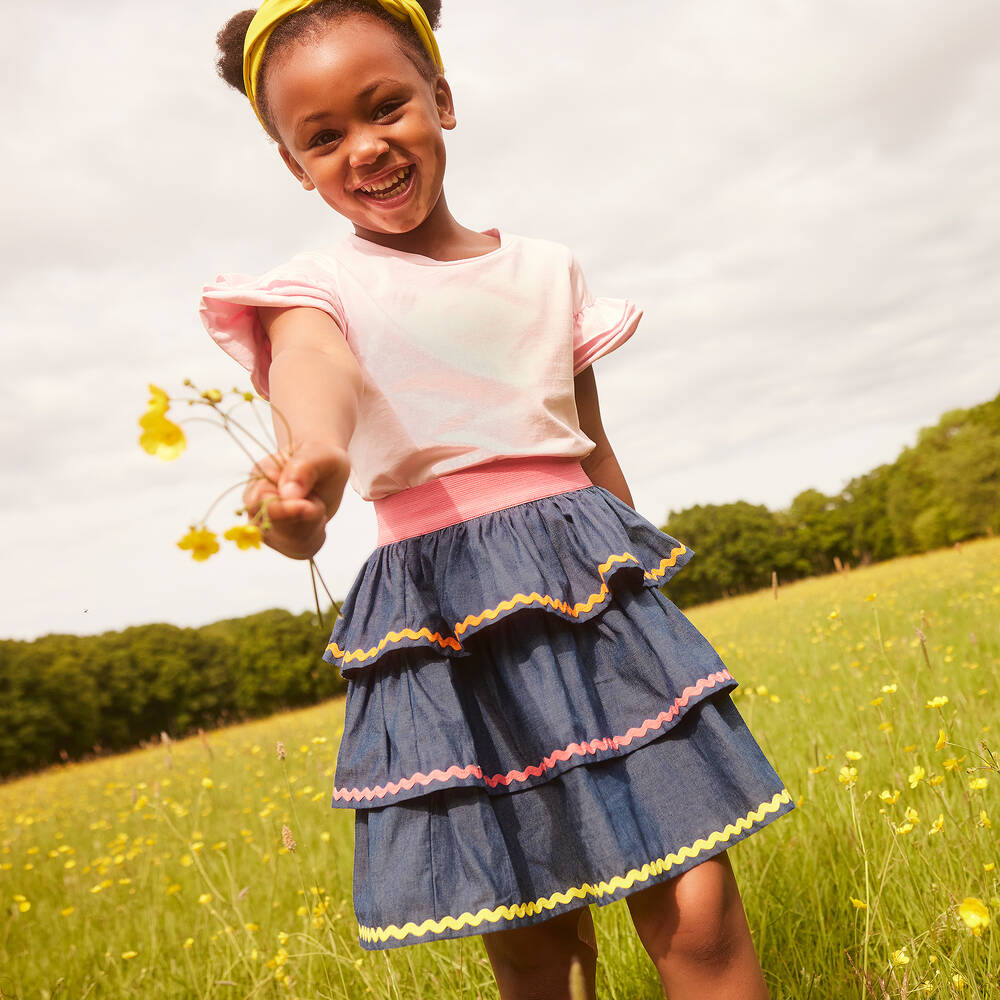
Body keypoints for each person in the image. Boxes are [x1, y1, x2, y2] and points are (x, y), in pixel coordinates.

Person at [201, 3, 795, 997]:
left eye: (385, 106)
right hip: (447, 617)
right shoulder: (316, 287)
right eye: (324, 136)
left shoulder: (547, 270)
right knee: (533, 933)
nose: (366, 147)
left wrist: (647, 603)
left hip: (593, 594)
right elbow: (315, 374)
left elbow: (592, 446)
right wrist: (312, 465)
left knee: (698, 905)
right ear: (293, 164)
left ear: (440, 97)